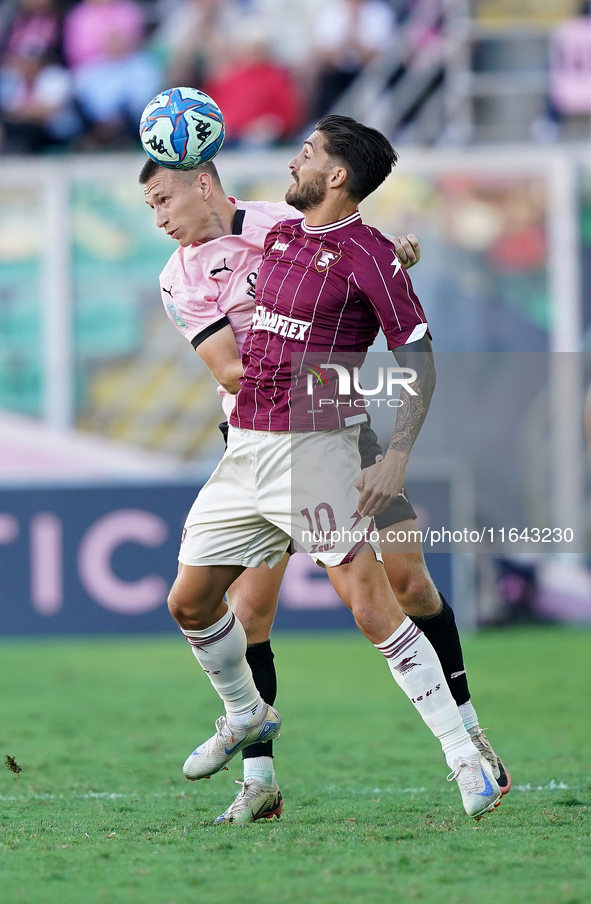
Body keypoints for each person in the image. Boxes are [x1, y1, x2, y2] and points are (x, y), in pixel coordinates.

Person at [140, 116, 508, 824]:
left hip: (326, 430)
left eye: (162, 201)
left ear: (201, 181)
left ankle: (468, 744)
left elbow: (360, 265)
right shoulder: (190, 273)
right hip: (249, 435)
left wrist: (386, 262)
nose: (157, 218)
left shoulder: (283, 220)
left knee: (401, 586)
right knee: (229, 609)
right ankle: (258, 767)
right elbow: (232, 367)